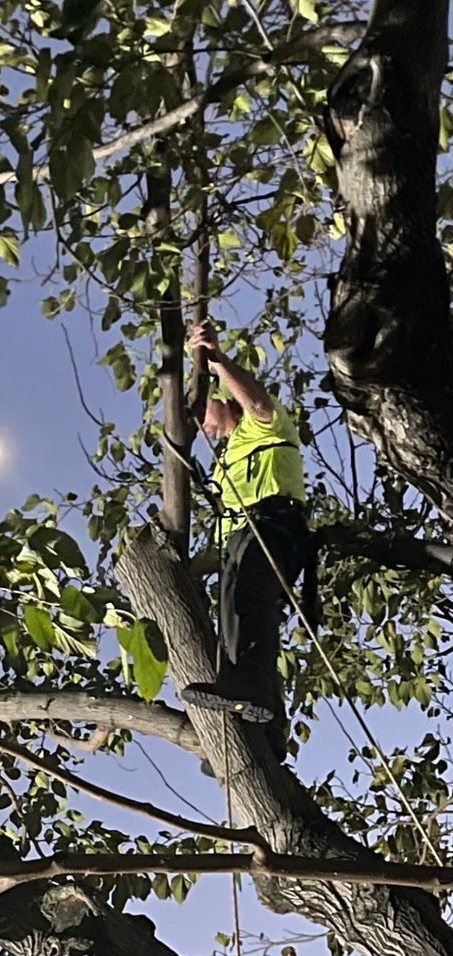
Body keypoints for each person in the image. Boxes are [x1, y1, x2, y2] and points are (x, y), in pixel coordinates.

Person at [181, 321, 310, 761]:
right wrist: (181, 572)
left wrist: (216, 360)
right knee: (235, 621)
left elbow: (255, 400)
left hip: (272, 526)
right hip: (236, 547)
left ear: (220, 402)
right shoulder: (221, 470)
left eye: (206, 418)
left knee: (252, 596)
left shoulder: (261, 429)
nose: (206, 430)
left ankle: (255, 689)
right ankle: (268, 728)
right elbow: (216, 551)